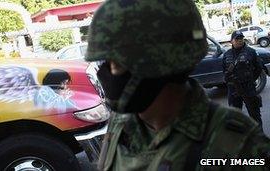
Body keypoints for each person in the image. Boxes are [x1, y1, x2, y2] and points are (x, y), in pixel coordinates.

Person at [85, 0, 270, 170]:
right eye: (104, 62)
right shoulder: (120, 121)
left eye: (116, 62)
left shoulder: (238, 144)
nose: (106, 73)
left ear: (161, 62)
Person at [223, 31, 264, 128]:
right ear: (231, 41)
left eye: (241, 38)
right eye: (237, 38)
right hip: (233, 90)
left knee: (255, 117)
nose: (240, 40)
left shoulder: (251, 52)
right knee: (236, 118)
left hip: (248, 89)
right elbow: (224, 69)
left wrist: (250, 79)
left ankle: (259, 139)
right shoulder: (226, 54)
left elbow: (259, 68)